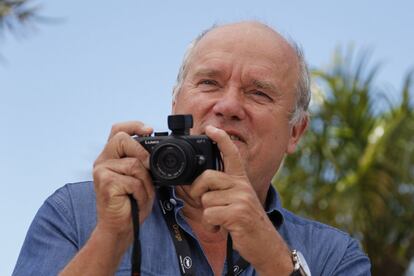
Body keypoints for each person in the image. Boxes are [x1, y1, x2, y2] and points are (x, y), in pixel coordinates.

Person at [13, 21, 371, 276]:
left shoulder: (334, 257)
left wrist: (274, 260)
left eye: (258, 92)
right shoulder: (75, 215)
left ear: (296, 131)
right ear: (176, 104)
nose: (228, 106)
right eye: (209, 82)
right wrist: (110, 238)